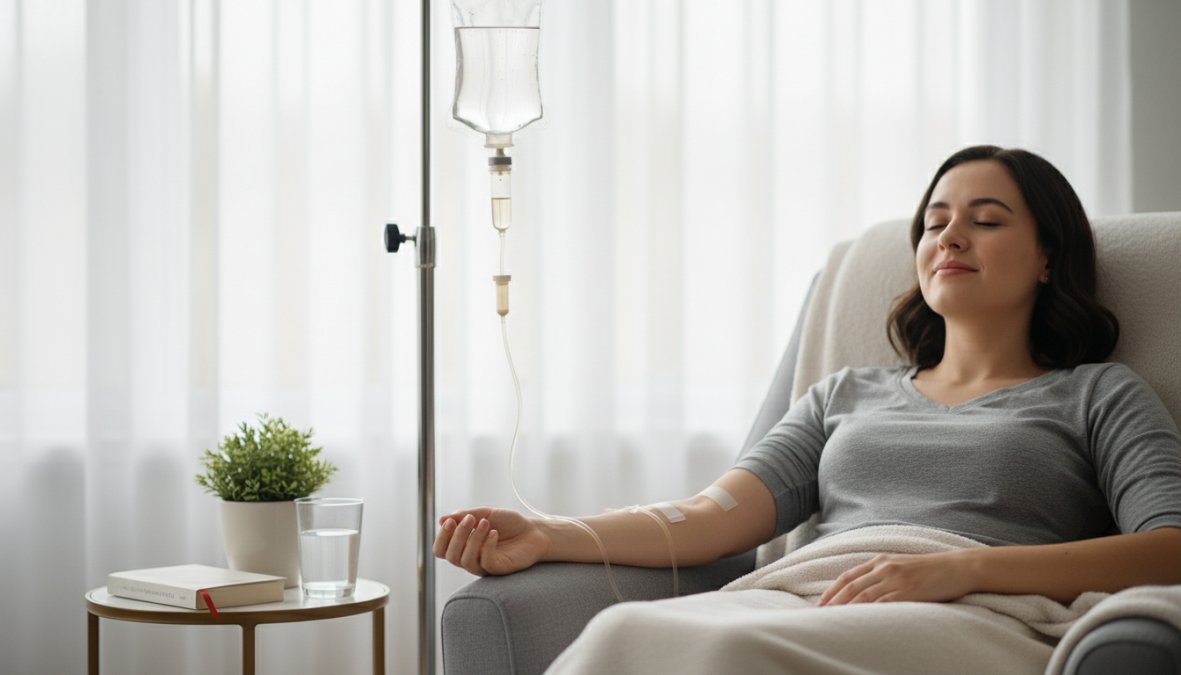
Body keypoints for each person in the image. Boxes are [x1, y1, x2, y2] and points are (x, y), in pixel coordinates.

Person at [433, 146, 1181, 674]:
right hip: (806, 597)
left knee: (726, 656)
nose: (948, 234)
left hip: (975, 616)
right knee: (624, 630)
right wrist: (545, 532)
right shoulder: (843, 393)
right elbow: (708, 515)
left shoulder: (1095, 393)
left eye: (985, 220)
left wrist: (960, 568)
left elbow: (1169, 546)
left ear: (1048, 255)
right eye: (934, 221)